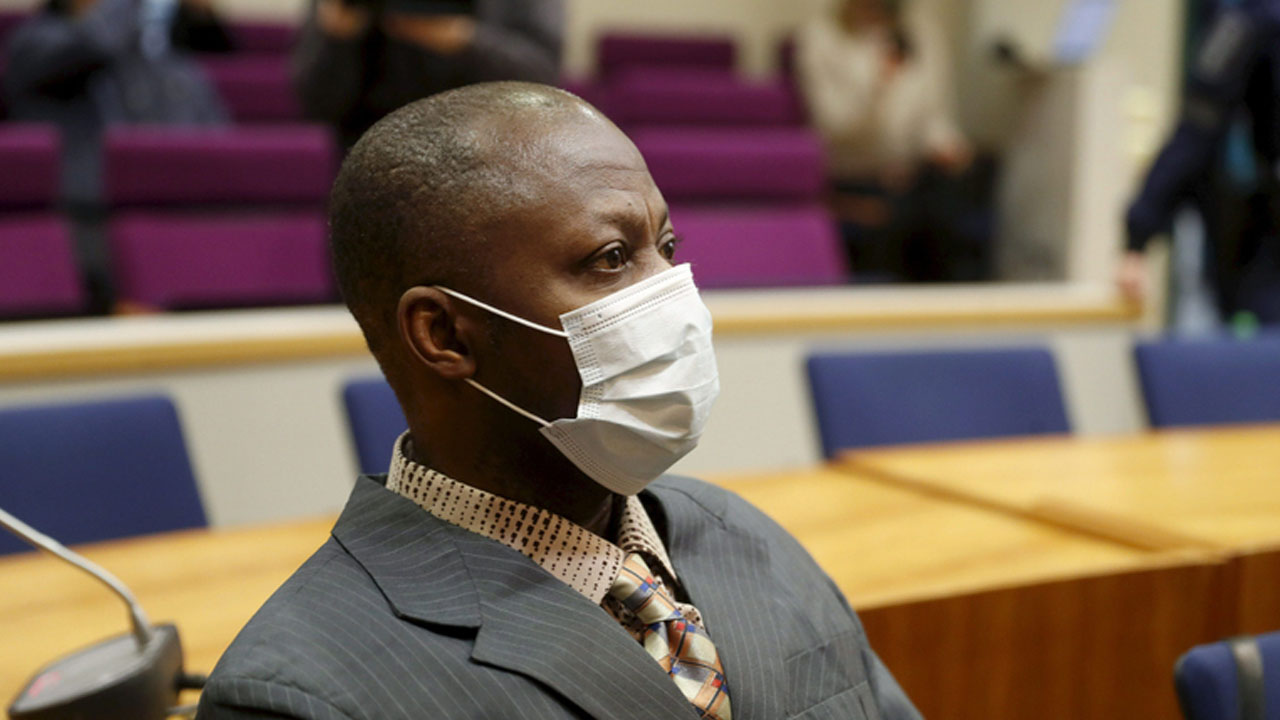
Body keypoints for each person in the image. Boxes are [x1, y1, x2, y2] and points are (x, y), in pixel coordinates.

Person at [195, 81, 922, 720]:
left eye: (665, 248)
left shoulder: (747, 535)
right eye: (611, 258)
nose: (677, 301)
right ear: (444, 333)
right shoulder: (300, 694)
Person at [796, 0, 990, 283]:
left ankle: (956, 300)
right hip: (856, 175)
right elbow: (835, 127)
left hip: (916, 174)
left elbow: (934, 116)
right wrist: (879, 88)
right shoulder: (820, 38)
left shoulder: (921, 31)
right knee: (903, 224)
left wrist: (947, 146)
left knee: (962, 195)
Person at [1119, 0, 1280, 325]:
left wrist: (1137, 238)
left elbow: (1196, 129)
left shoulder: (1248, 16)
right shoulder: (1246, 18)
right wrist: (1139, 233)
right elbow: (1199, 123)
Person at [3, 0, 229, 207]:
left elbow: (219, 148)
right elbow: (93, 44)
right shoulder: (32, 43)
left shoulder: (168, 63)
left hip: (168, 207)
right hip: (82, 210)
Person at [294, 0, 563, 150]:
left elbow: (542, 80)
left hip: (486, 155)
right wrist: (338, 38)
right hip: (374, 162)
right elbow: (315, 101)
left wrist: (465, 40)